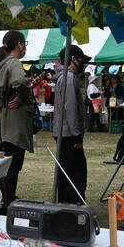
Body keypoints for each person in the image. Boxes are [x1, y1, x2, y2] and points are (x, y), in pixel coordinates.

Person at [0, 30, 35, 212]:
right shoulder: (14, 63)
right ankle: (7, 201)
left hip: (5, 121)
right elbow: (19, 81)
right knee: (13, 166)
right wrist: (23, 97)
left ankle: (4, 198)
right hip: (15, 121)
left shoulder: (0, 65)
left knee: (6, 164)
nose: (25, 48)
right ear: (19, 44)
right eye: (24, 44)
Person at [52, 45, 92, 204]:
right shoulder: (68, 78)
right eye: (82, 60)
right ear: (73, 59)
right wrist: (77, 136)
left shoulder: (68, 77)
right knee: (75, 174)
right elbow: (70, 108)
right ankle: (74, 207)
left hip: (65, 133)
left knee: (65, 174)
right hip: (69, 135)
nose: (84, 64)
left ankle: (65, 205)